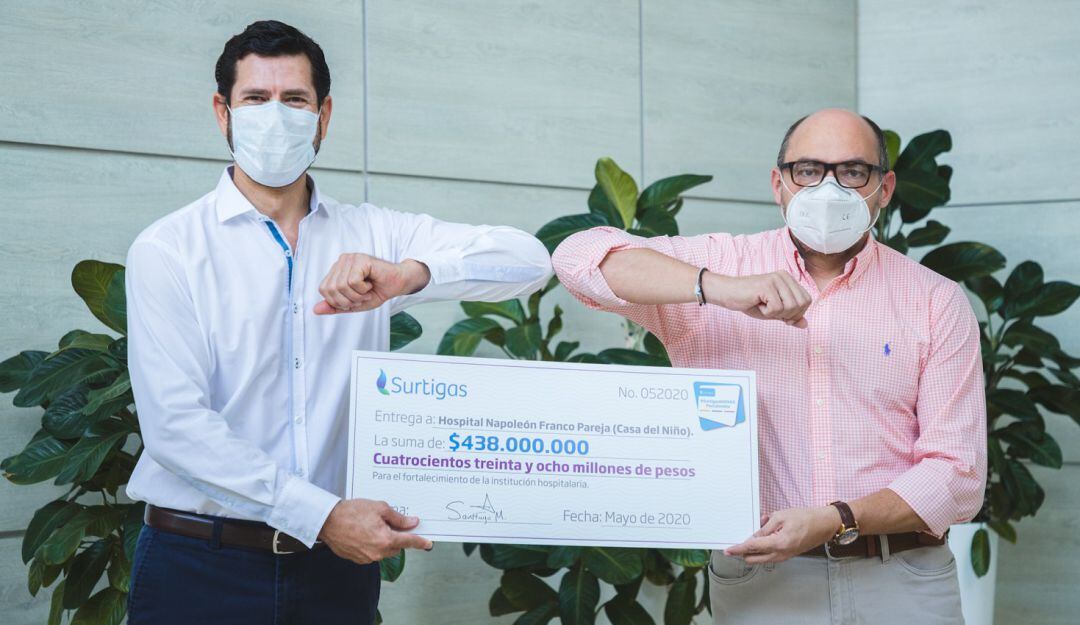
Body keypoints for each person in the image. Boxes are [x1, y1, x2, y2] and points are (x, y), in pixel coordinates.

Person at [124, 20, 552, 624]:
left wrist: (411, 273)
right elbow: (175, 428)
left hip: (333, 574)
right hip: (198, 563)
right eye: (256, 98)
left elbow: (529, 260)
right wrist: (321, 515)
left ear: (323, 116)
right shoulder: (168, 249)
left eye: (295, 99)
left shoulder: (373, 233)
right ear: (224, 113)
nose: (276, 116)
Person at [553, 108, 986, 624]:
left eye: (852, 172)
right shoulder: (722, 263)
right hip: (761, 582)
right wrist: (717, 288)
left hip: (903, 577)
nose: (829, 189)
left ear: (884, 188)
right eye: (808, 170)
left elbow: (957, 475)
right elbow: (577, 258)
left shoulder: (935, 299)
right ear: (778, 184)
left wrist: (835, 519)